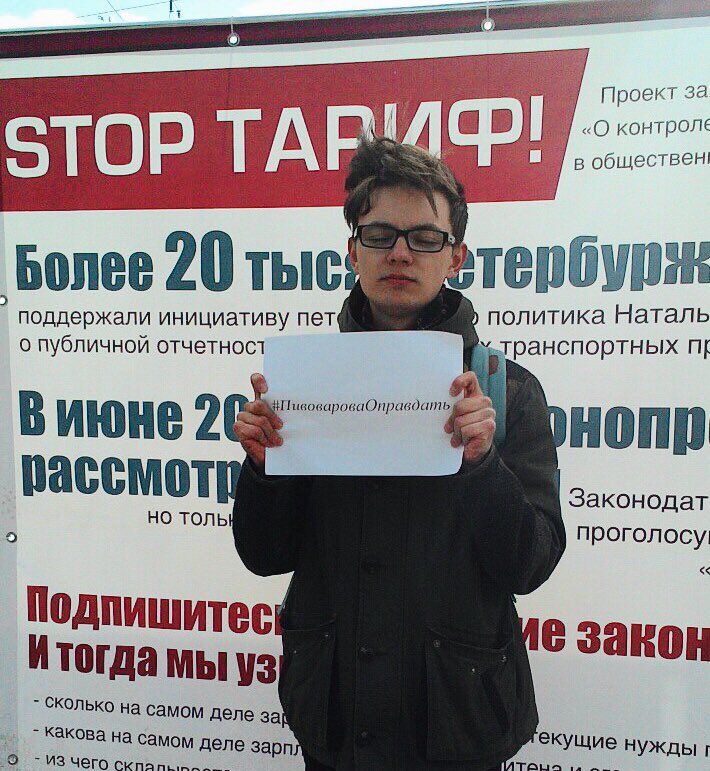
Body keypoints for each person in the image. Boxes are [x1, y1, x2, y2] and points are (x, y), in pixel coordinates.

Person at [232, 135, 565, 771]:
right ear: (352, 250)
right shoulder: (303, 386)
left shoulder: (506, 391)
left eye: (425, 238)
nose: (401, 253)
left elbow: (531, 563)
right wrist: (265, 471)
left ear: (456, 256)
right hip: (337, 720)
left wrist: (482, 466)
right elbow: (264, 556)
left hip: (460, 724)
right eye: (380, 234)